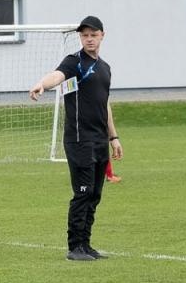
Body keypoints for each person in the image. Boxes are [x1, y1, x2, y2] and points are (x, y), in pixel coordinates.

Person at [28, 15, 120, 261]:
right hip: (79, 140)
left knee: (95, 195)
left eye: (93, 34)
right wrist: (42, 84)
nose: (89, 39)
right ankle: (74, 246)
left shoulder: (105, 68)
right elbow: (57, 75)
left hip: (100, 141)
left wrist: (114, 137)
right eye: (84, 35)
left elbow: (105, 104)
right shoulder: (74, 63)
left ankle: (86, 244)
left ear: (102, 35)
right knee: (83, 192)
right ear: (80, 37)